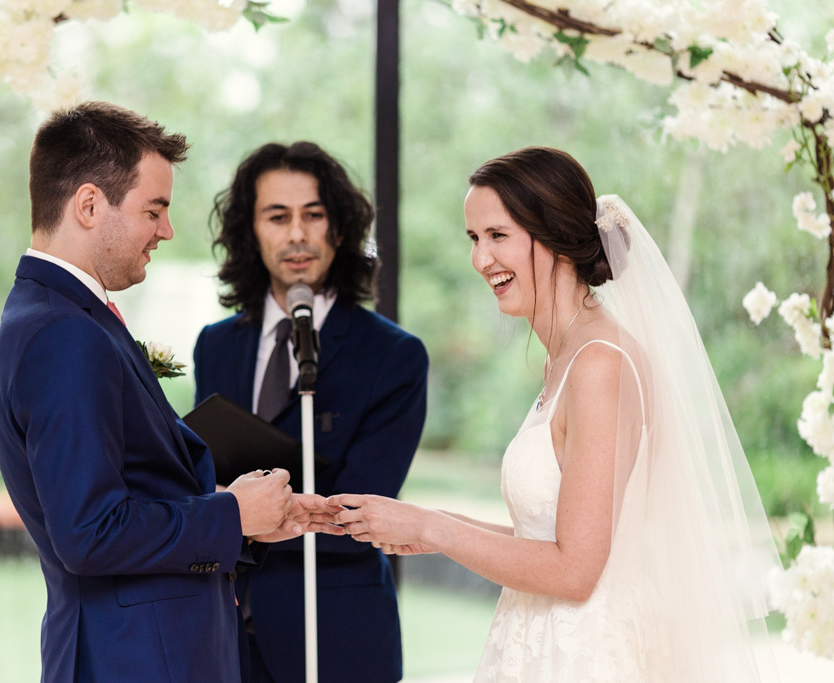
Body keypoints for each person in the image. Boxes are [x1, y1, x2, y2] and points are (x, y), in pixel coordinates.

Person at [330, 146, 782, 682]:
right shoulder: (565, 356)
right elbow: (547, 532)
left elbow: (575, 570)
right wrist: (428, 525)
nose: (480, 259)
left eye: (498, 236)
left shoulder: (599, 363)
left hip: (586, 653)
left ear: (558, 237)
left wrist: (430, 527)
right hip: (542, 638)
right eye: (474, 239)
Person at [0, 102, 339, 683]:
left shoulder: (59, 314)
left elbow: (128, 492)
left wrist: (243, 515)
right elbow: (89, 534)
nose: (167, 230)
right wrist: (229, 514)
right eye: (154, 210)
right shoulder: (65, 334)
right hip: (135, 659)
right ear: (90, 205)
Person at [193, 141, 428, 683]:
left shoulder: (393, 356)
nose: (297, 234)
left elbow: (366, 505)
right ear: (251, 231)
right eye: (277, 216)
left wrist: (244, 514)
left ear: (340, 229)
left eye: (314, 215)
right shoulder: (216, 345)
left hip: (338, 634)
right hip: (221, 636)